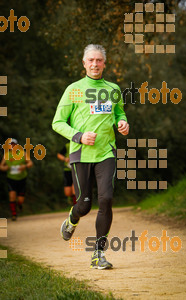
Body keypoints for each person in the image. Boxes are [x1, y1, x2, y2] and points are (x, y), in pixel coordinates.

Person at [52, 44, 129, 269]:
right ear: (84, 63)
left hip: (106, 152)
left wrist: (122, 123)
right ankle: (73, 218)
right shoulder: (73, 89)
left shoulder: (113, 89)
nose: (95, 64)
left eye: (99, 60)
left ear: (104, 63)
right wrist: (78, 136)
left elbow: (119, 112)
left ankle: (98, 253)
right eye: (91, 60)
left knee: (106, 199)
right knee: (84, 205)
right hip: (80, 154)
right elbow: (57, 122)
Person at [0, 138, 33, 220]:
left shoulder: (23, 154)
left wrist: (24, 166)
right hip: (11, 179)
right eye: (11, 145)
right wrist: (5, 168)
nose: (12, 146)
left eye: (14, 144)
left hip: (22, 179)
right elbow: (1, 166)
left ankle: (19, 205)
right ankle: (14, 214)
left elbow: (30, 163)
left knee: (20, 200)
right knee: (12, 196)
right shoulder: (6, 155)